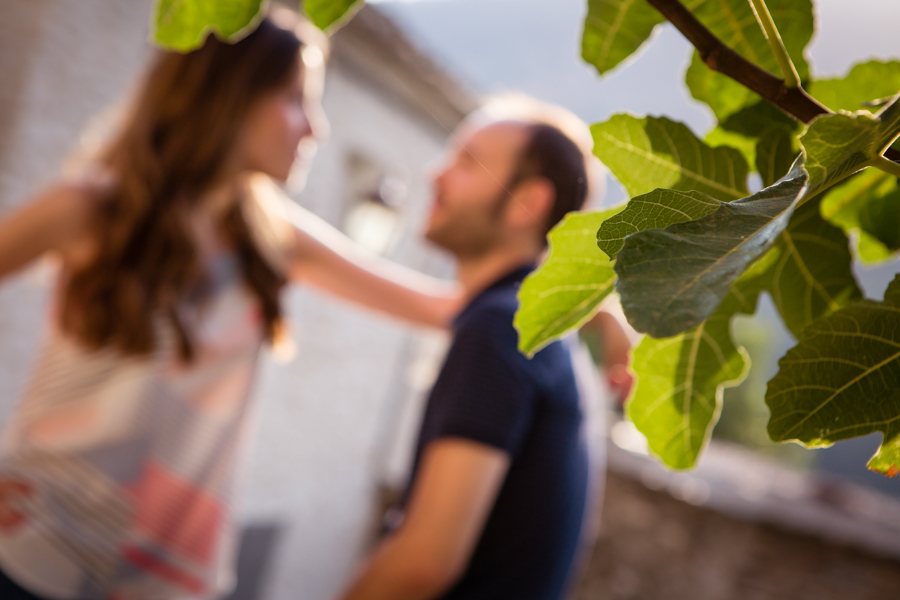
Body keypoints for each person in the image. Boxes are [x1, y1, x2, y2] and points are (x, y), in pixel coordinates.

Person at [0, 13, 462, 600]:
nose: (315, 130)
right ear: (227, 96)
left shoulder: (270, 237)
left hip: (162, 582)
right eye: (295, 100)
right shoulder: (92, 209)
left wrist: (589, 304)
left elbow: (444, 307)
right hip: (33, 554)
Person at [337, 98, 626, 600]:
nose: (436, 176)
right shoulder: (532, 326)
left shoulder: (500, 327)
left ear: (527, 203)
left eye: (468, 162)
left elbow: (423, 564)